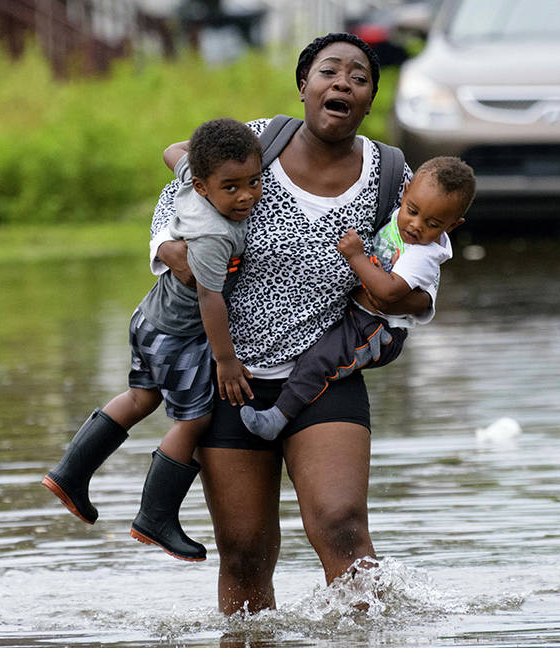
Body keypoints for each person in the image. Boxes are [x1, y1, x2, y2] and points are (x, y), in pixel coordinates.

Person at [150, 32, 430, 614]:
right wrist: (171, 251)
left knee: (342, 526)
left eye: (359, 77)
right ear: (304, 85)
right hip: (230, 374)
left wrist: (409, 300)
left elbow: (420, 266)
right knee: (244, 551)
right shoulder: (256, 143)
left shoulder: (392, 177)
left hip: (325, 372)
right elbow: (179, 192)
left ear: (370, 100)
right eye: (330, 71)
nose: (342, 83)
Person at [42, 118, 262, 562]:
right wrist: (225, 361)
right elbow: (209, 298)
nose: (245, 196)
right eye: (231, 187)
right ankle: (155, 517)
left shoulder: (190, 178)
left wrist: (198, 156)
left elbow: (171, 150)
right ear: (202, 187)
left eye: (254, 182)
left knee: (142, 397)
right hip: (179, 335)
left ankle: (70, 473)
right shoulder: (214, 234)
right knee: (193, 421)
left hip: (148, 320)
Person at [240, 157, 475, 440]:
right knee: (314, 350)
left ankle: (277, 418)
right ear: (405, 191)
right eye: (412, 210)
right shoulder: (398, 219)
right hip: (358, 315)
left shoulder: (422, 255)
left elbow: (387, 292)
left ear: (452, 226)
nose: (415, 225)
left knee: (321, 360)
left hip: (376, 330)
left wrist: (355, 257)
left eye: (433, 223)